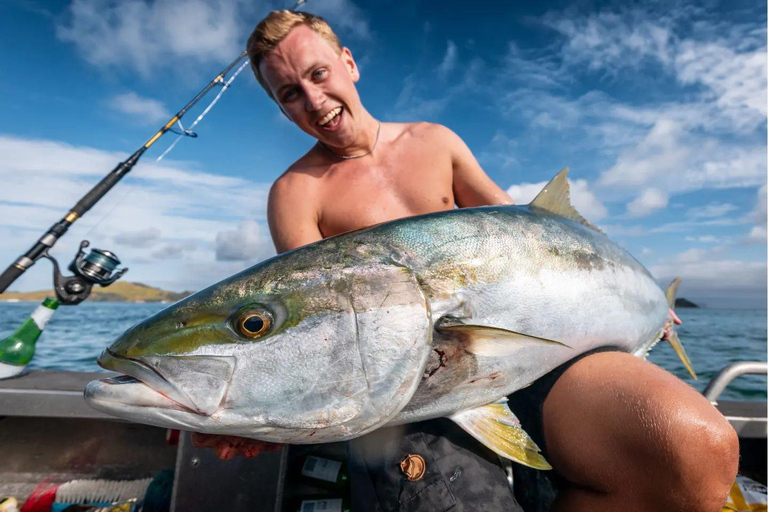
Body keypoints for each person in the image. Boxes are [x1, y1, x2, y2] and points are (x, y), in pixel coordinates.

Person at [194, 10, 740, 512]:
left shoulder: (434, 141)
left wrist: (642, 302)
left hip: (525, 352)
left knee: (694, 449)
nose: (313, 100)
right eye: (290, 93)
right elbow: (308, 330)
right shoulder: (296, 193)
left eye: (317, 74)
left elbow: (529, 228)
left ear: (349, 63)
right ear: (280, 107)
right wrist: (251, 405)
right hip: (405, 394)